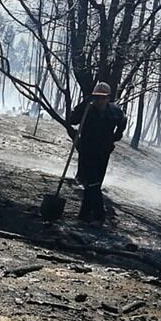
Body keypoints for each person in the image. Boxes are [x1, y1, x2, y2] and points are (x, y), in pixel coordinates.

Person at [65, 82, 127, 223]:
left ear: (108, 98)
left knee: (95, 184)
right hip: (87, 151)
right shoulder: (87, 110)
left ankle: (84, 215)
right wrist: (83, 105)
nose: (100, 100)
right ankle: (99, 215)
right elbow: (73, 120)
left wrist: (117, 135)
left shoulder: (114, 112)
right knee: (92, 182)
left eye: (103, 97)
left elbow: (123, 121)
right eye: (97, 97)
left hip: (103, 152)